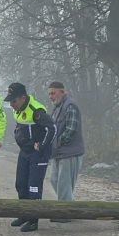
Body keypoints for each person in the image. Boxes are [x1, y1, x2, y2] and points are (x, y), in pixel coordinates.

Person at [4, 82, 55, 232]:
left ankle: (33, 220)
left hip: (38, 154)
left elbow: (52, 129)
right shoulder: (17, 109)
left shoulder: (36, 110)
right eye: (10, 101)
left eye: (13, 101)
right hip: (24, 152)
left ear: (23, 97)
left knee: (33, 186)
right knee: (20, 184)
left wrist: (42, 146)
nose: (11, 104)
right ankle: (24, 214)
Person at [47, 81, 86, 221]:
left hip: (70, 153)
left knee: (63, 184)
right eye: (49, 94)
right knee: (54, 180)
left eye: (53, 93)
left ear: (62, 92)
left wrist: (55, 143)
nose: (51, 96)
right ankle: (71, 209)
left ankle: (65, 214)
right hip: (59, 153)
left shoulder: (70, 106)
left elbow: (70, 130)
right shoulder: (57, 108)